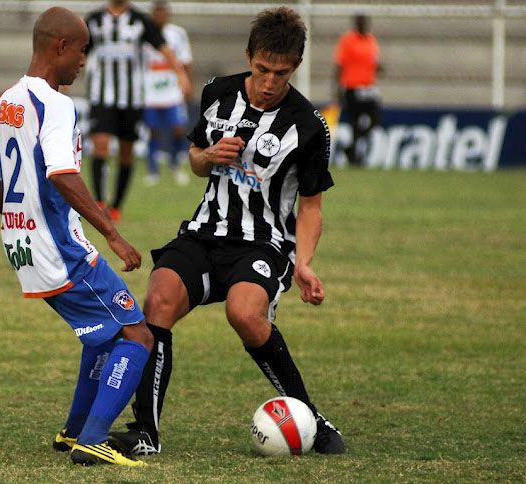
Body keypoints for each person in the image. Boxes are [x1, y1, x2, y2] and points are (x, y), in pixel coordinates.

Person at [109, 6, 346, 456]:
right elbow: (196, 160)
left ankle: (307, 415)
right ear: (248, 56)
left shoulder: (309, 127)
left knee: (244, 313)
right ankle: (146, 433)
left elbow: (312, 206)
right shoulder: (217, 94)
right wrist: (209, 155)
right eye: (262, 69)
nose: (270, 81)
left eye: (281, 72)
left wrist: (305, 263)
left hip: (265, 242)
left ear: (295, 67)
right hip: (204, 232)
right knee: (157, 299)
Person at [0, 7, 153, 468]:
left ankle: (73, 431)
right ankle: (93, 439)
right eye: (83, 50)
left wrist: (19, 218)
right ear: (60, 47)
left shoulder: (7, 100)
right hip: (61, 248)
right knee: (137, 333)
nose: (84, 62)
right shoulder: (54, 104)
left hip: (24, 247)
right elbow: (63, 174)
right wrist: (112, 233)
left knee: (100, 336)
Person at [85, 0, 191, 222]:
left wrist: (181, 74)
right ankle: (99, 202)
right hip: (101, 96)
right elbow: (80, 52)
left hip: (132, 99)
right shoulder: (94, 20)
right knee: (101, 146)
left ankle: (116, 206)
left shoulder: (141, 20)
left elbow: (164, 48)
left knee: (126, 152)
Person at [142, 0, 193, 187]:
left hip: (173, 89)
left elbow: (186, 61)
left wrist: (188, 84)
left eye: (163, 12)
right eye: (157, 12)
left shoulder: (178, 33)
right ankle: (153, 170)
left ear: (168, 13)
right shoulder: (144, 34)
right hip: (150, 91)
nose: (160, 15)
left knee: (178, 128)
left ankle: (176, 165)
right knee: (152, 131)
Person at [333, 14, 382, 167]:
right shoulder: (348, 41)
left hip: (368, 88)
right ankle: (354, 157)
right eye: (361, 23)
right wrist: (337, 88)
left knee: (375, 120)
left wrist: (379, 67)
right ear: (356, 24)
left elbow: (373, 62)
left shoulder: (371, 41)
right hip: (352, 87)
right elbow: (339, 65)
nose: (364, 25)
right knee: (354, 123)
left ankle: (351, 149)